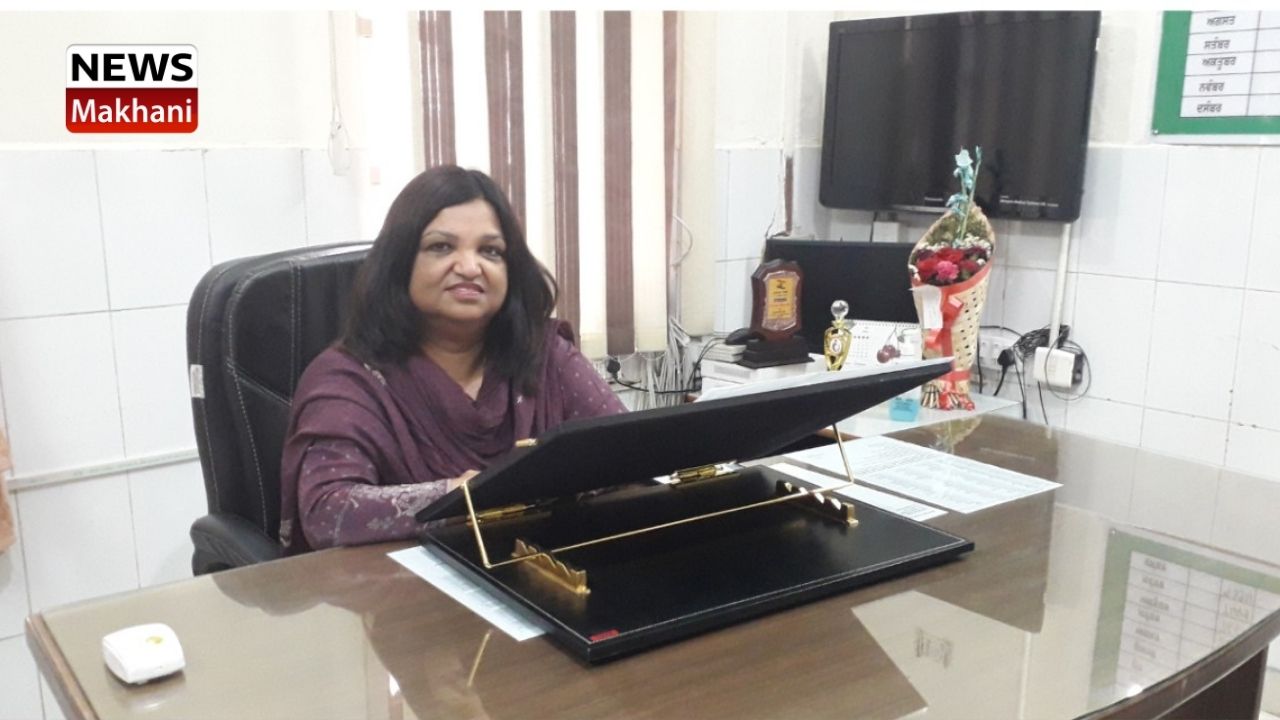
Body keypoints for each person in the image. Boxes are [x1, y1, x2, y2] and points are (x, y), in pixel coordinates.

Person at [279, 166, 626, 554]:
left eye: (490, 251)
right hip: (398, 583)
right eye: (442, 247)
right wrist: (461, 495)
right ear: (399, 262)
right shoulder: (348, 378)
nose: (470, 267)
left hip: (535, 567)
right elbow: (330, 512)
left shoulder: (544, 354)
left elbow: (627, 453)